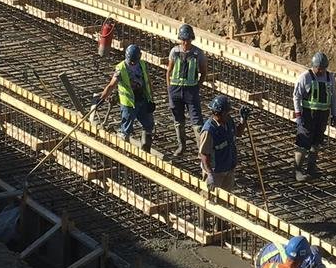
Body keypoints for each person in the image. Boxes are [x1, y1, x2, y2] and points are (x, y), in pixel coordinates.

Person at [96, 43, 156, 150]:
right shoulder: (121, 69)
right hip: (129, 104)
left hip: (142, 99)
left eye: (134, 61)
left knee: (149, 125)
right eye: (131, 62)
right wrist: (102, 98)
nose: (132, 64)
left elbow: (148, 82)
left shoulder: (142, 65)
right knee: (126, 130)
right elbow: (111, 86)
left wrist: (151, 99)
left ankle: (145, 149)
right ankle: (125, 151)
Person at [292, 52, 336, 183]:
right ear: (313, 66)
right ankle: (297, 169)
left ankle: (311, 167)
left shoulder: (330, 78)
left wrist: (335, 114)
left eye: (323, 68)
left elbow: (334, 96)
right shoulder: (305, 77)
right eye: (318, 68)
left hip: (322, 115)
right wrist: (298, 115)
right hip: (308, 114)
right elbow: (296, 97)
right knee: (303, 142)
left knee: (316, 141)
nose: (321, 71)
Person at [166, 23, 208, 158]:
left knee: (197, 123)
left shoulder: (198, 53)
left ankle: (201, 151)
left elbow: (203, 72)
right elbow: (169, 71)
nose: (185, 42)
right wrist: (170, 89)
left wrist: (197, 87)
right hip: (176, 90)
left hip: (191, 91)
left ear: (191, 39)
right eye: (183, 39)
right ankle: (181, 146)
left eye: (187, 39)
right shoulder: (175, 51)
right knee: (178, 121)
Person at [198, 93, 249, 193]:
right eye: (226, 112)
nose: (228, 114)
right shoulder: (209, 131)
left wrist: (243, 120)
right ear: (217, 113)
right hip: (215, 172)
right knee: (209, 200)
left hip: (228, 168)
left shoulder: (228, 121)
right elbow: (204, 154)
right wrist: (210, 174)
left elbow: (238, 132)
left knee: (225, 201)